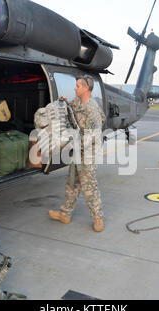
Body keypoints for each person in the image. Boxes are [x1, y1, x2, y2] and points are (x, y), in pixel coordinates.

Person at [48, 76, 106, 232]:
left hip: (88, 152)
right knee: (72, 182)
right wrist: (63, 102)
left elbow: (93, 135)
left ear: (86, 88)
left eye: (77, 85)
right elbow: (70, 111)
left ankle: (98, 218)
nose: (75, 88)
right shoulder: (77, 102)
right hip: (78, 150)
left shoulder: (91, 108)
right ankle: (65, 214)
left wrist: (70, 144)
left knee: (89, 186)